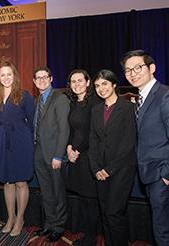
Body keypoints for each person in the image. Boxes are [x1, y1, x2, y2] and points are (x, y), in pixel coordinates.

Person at [121, 50, 169, 246]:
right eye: (128, 70)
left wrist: (166, 174)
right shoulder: (140, 98)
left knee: (162, 230)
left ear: (152, 68)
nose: (133, 73)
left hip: (161, 174)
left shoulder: (164, 95)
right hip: (148, 174)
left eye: (138, 67)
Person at [89, 69, 136, 246]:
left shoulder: (128, 108)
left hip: (121, 169)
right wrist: (96, 168)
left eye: (105, 84)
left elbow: (129, 143)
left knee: (114, 213)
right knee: (104, 212)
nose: (101, 89)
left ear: (114, 84)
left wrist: (109, 169)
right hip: (100, 170)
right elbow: (93, 140)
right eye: (97, 86)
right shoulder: (96, 110)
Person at [0, 62, 35, 237]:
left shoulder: (24, 95)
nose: (6, 78)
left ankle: (20, 219)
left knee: (20, 182)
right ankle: (10, 217)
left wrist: (27, 143)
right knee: (7, 182)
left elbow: (31, 123)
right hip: (2, 141)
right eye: (2, 75)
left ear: (14, 76)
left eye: (9, 74)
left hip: (21, 141)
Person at [32, 66, 70, 242]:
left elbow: (64, 129)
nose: (41, 80)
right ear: (34, 81)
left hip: (54, 154)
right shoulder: (38, 99)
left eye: (44, 77)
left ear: (51, 78)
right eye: (38, 78)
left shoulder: (59, 98)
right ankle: (49, 223)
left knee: (58, 192)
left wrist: (58, 155)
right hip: (39, 152)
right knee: (46, 191)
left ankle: (59, 226)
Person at [65, 69, 101, 245]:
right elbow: (72, 130)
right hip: (76, 156)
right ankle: (87, 234)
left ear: (88, 82)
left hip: (88, 156)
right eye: (73, 82)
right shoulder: (73, 103)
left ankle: (91, 238)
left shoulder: (95, 103)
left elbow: (92, 131)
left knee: (90, 198)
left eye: (80, 81)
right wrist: (69, 147)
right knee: (83, 197)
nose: (77, 84)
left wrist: (77, 149)